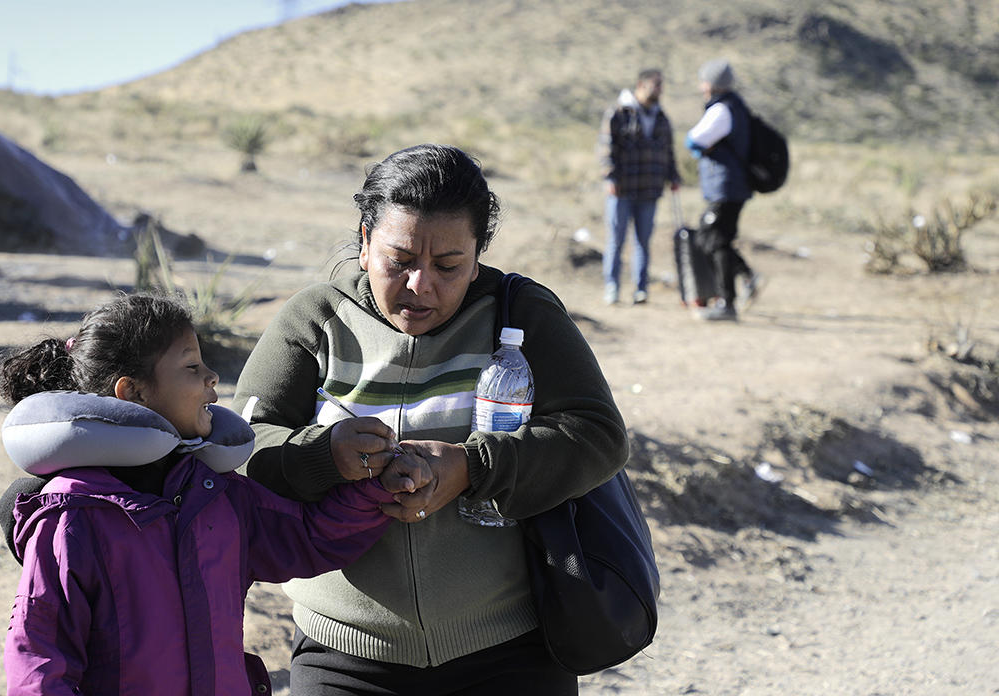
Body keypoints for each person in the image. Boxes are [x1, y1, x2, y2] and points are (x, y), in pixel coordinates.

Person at [232, 144, 629, 695]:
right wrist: (325, 454)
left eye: (449, 266)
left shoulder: (521, 315)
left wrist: (472, 467)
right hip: (342, 653)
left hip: (511, 649)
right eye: (400, 261)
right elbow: (240, 444)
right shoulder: (314, 320)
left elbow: (598, 435)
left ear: (478, 253)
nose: (421, 285)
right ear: (366, 241)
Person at [0, 291, 433, 696]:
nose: (212, 376)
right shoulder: (74, 517)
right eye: (191, 367)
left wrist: (375, 487)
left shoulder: (214, 493)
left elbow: (305, 537)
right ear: (133, 391)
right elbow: (40, 658)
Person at [685, 59, 763, 321]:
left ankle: (727, 302)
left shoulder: (722, 109)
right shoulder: (735, 107)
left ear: (712, 84)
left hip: (726, 186)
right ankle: (746, 278)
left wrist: (699, 148)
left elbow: (693, 139)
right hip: (731, 186)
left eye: (703, 81)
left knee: (713, 239)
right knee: (715, 239)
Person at [598, 68, 680, 306]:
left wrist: (673, 176)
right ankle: (612, 287)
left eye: (661, 87)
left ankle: (641, 289)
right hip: (622, 190)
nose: (659, 91)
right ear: (641, 85)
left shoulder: (661, 117)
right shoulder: (618, 113)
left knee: (643, 241)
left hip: (650, 190)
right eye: (656, 86)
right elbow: (606, 148)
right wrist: (610, 177)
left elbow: (668, 151)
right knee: (616, 239)